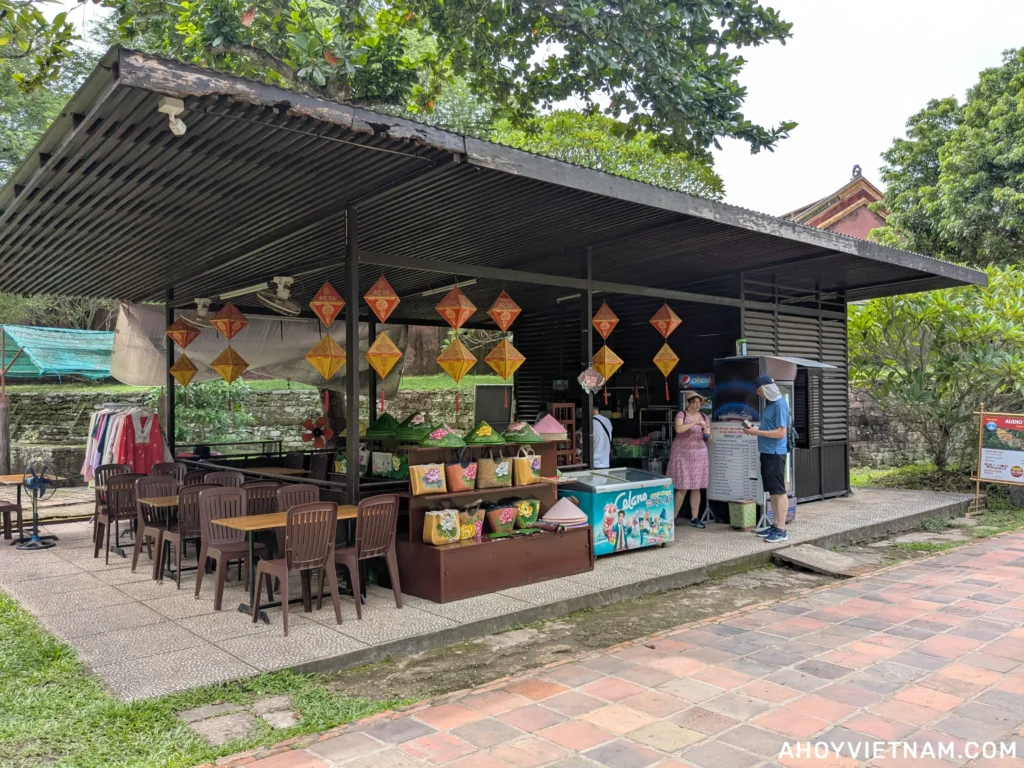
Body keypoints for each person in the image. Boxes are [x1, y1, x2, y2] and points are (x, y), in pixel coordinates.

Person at [743, 374, 790, 543]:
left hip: (775, 453)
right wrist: (754, 429)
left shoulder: (779, 405)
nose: (757, 392)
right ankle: (776, 524)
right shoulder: (770, 405)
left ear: (767, 388)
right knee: (772, 490)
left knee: (778, 490)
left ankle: (781, 529)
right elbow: (769, 428)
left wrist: (757, 432)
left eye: (759, 388)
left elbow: (780, 432)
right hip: (767, 452)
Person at [667, 391, 711, 528]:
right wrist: (694, 423)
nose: (698, 405)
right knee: (682, 487)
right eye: (695, 402)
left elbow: (709, 436)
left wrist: (706, 433)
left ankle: (695, 517)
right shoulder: (682, 415)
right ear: (689, 403)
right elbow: (678, 429)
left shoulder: (704, 417)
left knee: (696, 487)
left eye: (700, 403)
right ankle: (673, 517)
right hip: (683, 454)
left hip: (699, 454)